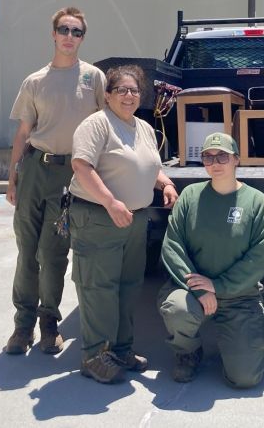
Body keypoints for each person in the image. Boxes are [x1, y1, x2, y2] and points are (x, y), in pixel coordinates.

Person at [5, 6, 105, 355]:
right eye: (64, 30)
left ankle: (50, 322)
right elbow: (22, 132)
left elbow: (102, 126)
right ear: (53, 34)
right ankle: (22, 326)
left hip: (70, 175)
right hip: (35, 168)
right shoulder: (35, 81)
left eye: (76, 32)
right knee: (26, 251)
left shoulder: (93, 77)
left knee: (55, 251)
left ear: (82, 38)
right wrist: (12, 177)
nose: (69, 37)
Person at [69, 64, 178, 384]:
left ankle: (120, 350)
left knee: (129, 287)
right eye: (121, 90)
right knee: (98, 289)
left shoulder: (142, 127)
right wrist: (110, 202)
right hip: (99, 216)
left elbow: (147, 164)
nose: (129, 96)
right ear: (107, 95)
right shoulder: (97, 124)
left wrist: (165, 183)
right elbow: (81, 166)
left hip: (133, 219)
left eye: (134, 91)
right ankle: (93, 356)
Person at [159, 133, 264, 388]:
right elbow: (172, 245)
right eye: (208, 157)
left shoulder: (257, 202)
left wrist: (219, 286)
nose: (215, 163)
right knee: (176, 309)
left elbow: (258, 259)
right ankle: (187, 351)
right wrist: (201, 289)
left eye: (222, 156)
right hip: (194, 290)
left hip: (240, 296)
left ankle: (262, 332)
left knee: (245, 379)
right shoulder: (190, 196)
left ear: (236, 159)